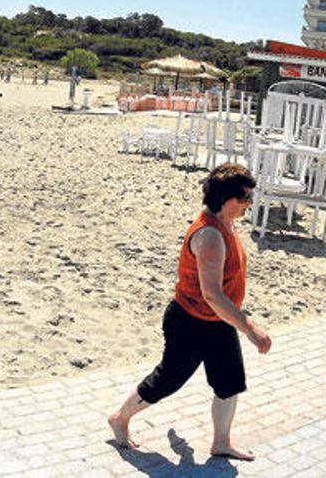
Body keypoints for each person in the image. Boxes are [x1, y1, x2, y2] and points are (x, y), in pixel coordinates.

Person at [108, 163, 272, 461]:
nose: (249, 203)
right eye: (244, 198)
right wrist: (250, 328)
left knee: (229, 381)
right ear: (226, 199)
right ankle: (119, 418)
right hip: (190, 321)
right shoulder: (209, 235)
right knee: (168, 379)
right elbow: (212, 294)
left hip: (218, 321)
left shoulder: (226, 222)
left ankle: (221, 442)